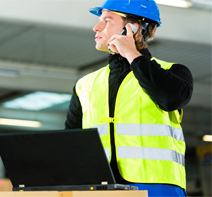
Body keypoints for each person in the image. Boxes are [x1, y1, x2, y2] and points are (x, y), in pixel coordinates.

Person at [64, 0, 193, 196]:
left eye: (107, 21)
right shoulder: (85, 85)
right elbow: (71, 144)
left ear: (134, 28)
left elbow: (170, 99)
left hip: (157, 188)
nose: (96, 27)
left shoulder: (173, 72)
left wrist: (132, 53)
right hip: (98, 188)